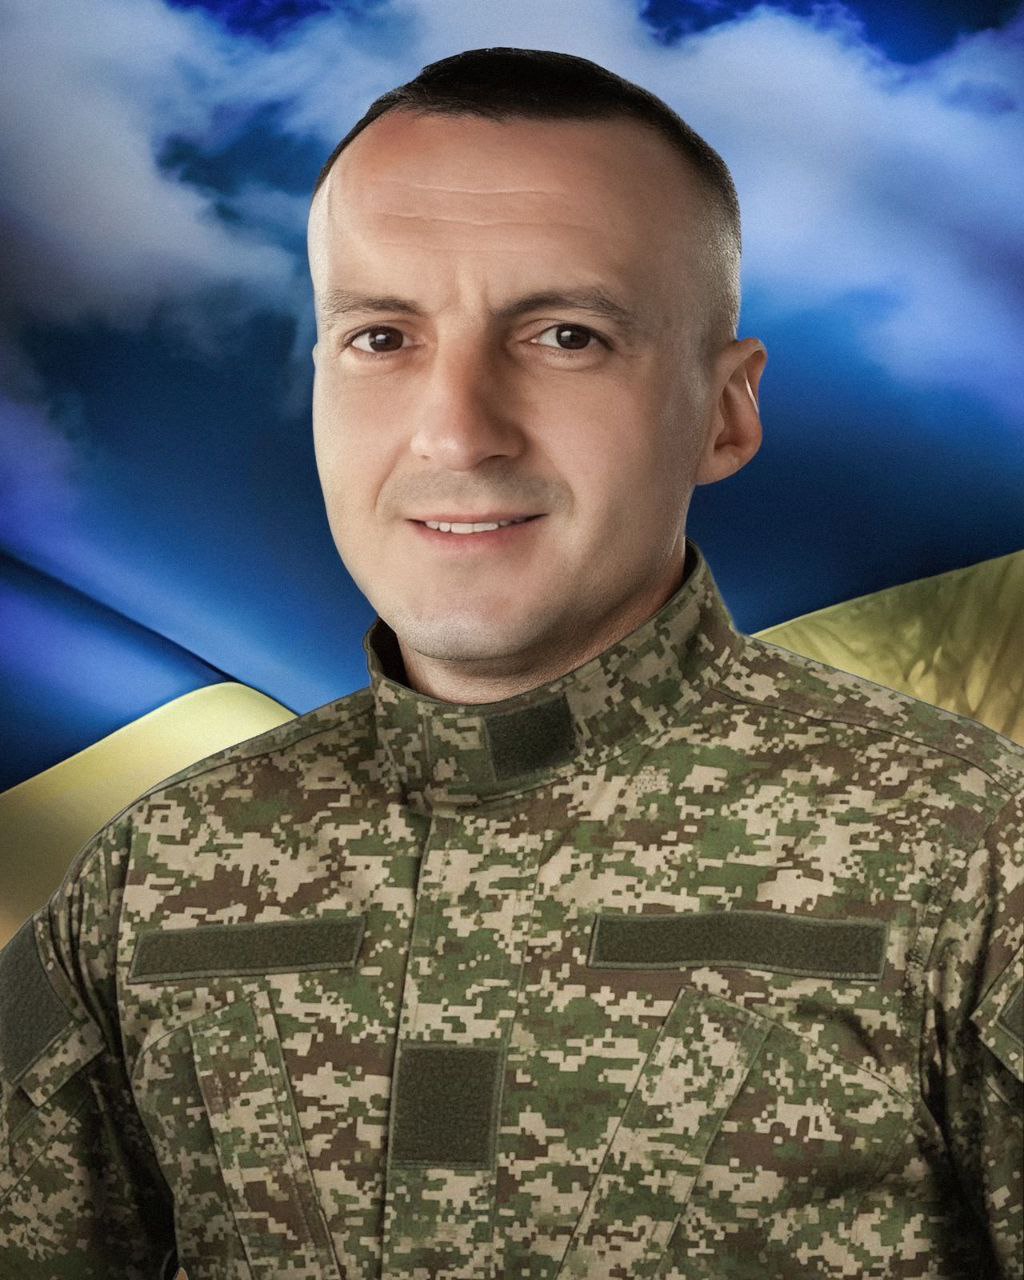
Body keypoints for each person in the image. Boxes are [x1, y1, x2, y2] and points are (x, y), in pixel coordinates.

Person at [0, 45, 1020, 1279]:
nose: (456, 430)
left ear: (724, 411)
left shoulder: (974, 850)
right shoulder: (153, 873)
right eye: (382, 336)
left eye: (566, 335)